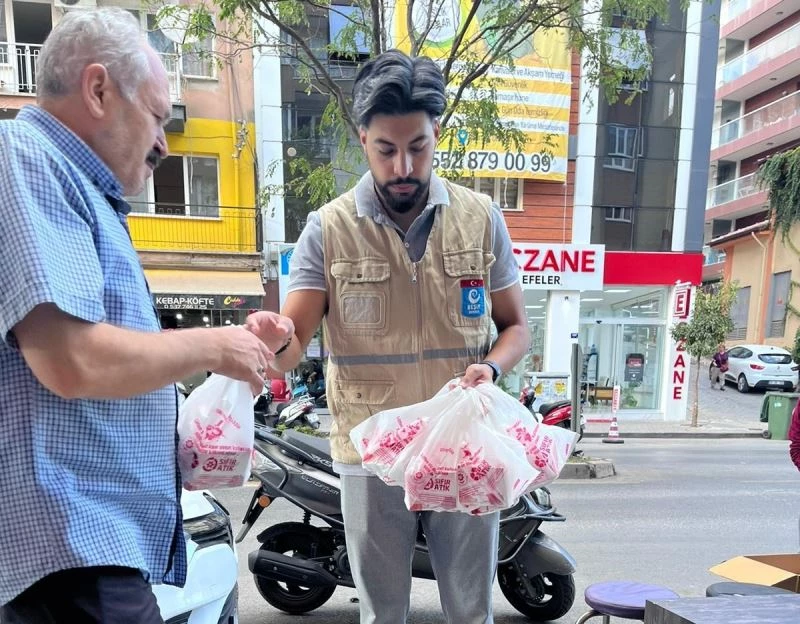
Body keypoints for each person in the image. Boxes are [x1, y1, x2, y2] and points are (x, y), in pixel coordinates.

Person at [0, 9, 293, 623]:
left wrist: (231, 349)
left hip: (88, 550)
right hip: (70, 545)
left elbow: (102, 365)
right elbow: (72, 361)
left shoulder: (84, 191)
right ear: (98, 89)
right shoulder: (27, 158)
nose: (164, 140)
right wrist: (216, 345)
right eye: (158, 115)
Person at [246, 49, 528, 624]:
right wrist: (275, 338)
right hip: (370, 454)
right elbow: (293, 344)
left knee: (472, 612)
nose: (403, 166)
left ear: (437, 134)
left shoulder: (481, 218)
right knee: (382, 616)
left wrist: (493, 368)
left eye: (417, 148)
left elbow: (516, 328)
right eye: (386, 149)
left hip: (462, 447)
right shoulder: (327, 230)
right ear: (362, 138)